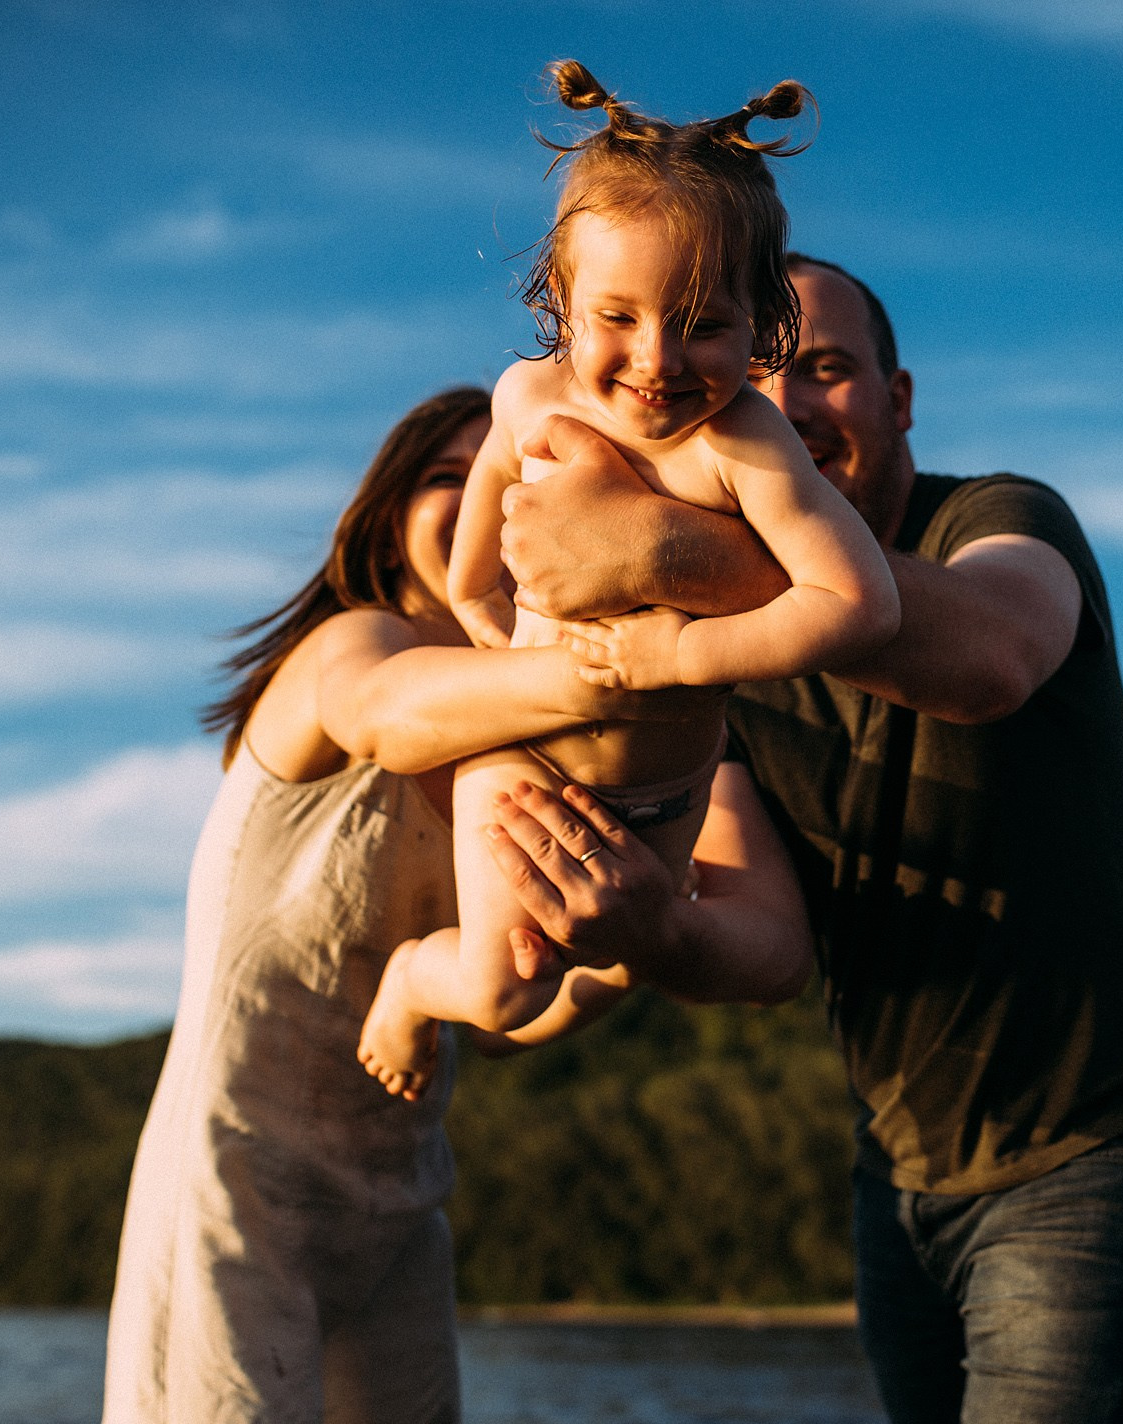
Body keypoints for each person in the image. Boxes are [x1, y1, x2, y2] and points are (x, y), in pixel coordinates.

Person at [474, 256, 1123, 1424]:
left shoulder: (997, 521)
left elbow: (993, 652)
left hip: (1099, 1140)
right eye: (759, 369)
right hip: (901, 1174)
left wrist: (659, 553)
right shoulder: (720, 673)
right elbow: (762, 936)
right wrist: (655, 926)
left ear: (898, 394)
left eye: (822, 364)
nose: (792, 397)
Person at [53, 385, 810, 1424]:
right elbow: (390, 716)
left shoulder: (550, 756)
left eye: (520, 473)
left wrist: (623, 936)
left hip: (400, 1208)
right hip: (233, 1193)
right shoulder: (352, 647)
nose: (499, 493)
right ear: (389, 512)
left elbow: (520, 1016)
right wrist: (636, 669)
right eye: (455, 476)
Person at [356, 62, 896, 1088]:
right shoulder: (524, 402)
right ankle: (412, 980)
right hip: (525, 771)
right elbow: (475, 575)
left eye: (705, 324)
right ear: (560, 300)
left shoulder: (745, 444)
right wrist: (519, 664)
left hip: (669, 792)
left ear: (764, 320)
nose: (658, 359)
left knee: (605, 957)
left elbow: (860, 604)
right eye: (620, 317)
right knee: (507, 985)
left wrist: (683, 648)